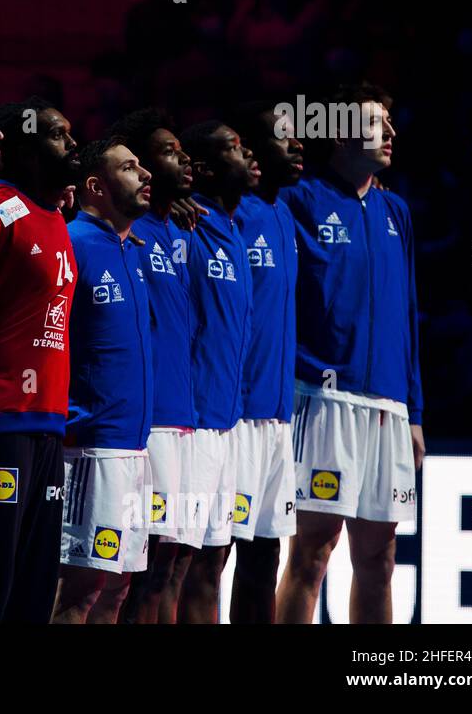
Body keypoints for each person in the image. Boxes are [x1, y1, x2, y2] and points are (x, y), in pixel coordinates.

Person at [276, 83, 424, 624]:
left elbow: (407, 317)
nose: (389, 133)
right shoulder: (298, 200)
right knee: (311, 554)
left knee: (379, 560)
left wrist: (415, 413)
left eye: (389, 123)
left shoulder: (395, 210)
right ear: (337, 133)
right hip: (321, 399)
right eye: (374, 123)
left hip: (388, 408)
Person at [0, 98, 77, 623]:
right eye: (56, 136)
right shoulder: (0, 210)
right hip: (2, 419)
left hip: (50, 422)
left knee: (34, 587)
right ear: (23, 150)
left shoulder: (55, 216)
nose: (71, 144)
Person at [52, 136, 154, 624]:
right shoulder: (73, 243)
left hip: (133, 445)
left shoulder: (132, 248)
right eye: (130, 168)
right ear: (95, 185)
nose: (146, 175)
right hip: (90, 444)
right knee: (79, 591)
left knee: (117, 589)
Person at [175, 119, 256, 624]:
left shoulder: (237, 225)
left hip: (230, 425)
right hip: (192, 423)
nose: (247, 155)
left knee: (213, 565)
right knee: (173, 569)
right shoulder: (183, 226)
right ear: (203, 169)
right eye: (234, 148)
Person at [227, 101, 303, 622]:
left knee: (266, 556)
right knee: (208, 558)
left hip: (278, 418)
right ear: (253, 154)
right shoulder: (226, 216)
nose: (298, 144)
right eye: (284, 137)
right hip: (233, 417)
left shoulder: (284, 213)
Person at [122, 109, 198, 623]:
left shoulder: (181, 228)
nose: (182, 159)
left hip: (189, 422)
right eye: (168, 151)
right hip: (152, 426)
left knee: (178, 564)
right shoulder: (130, 232)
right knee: (143, 570)